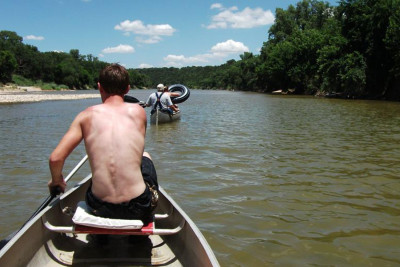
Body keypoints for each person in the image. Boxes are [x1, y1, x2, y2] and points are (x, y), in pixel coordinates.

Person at [48, 63, 158, 224]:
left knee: (97, 179)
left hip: (99, 207)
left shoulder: (85, 116)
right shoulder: (139, 112)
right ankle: (136, 238)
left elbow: (55, 159)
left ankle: (102, 239)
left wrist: (56, 181)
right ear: (127, 89)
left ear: (99, 87)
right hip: (138, 206)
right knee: (145, 156)